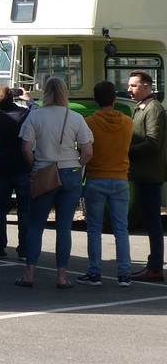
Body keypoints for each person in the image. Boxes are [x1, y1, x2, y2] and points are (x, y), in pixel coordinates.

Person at [16, 77, 93, 289]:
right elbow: (87, 151)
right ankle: (61, 277)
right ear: (65, 93)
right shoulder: (76, 118)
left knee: (36, 226)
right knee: (64, 227)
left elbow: (25, 148)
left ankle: (29, 274)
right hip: (70, 173)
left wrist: (35, 165)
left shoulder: (35, 116)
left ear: (46, 92)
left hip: (44, 172)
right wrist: (76, 164)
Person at [77, 80, 133, 287]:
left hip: (96, 178)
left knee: (94, 229)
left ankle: (94, 273)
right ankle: (124, 275)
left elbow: (83, 150)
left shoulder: (89, 122)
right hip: (120, 179)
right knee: (121, 229)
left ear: (95, 99)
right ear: (115, 99)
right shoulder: (128, 122)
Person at [126, 70, 167, 282]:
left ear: (146, 86)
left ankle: (155, 267)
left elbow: (152, 142)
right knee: (150, 221)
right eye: (129, 85)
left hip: (150, 174)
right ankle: (154, 265)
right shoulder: (143, 107)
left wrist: (125, 150)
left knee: (152, 222)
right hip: (143, 173)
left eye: (133, 85)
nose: (129, 89)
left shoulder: (154, 109)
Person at [0, 84, 32, 260]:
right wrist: (28, 100)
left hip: (2, 169)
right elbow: (37, 112)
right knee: (25, 210)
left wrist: (3, 100)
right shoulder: (23, 115)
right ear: (13, 98)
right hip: (22, 167)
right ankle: (24, 250)